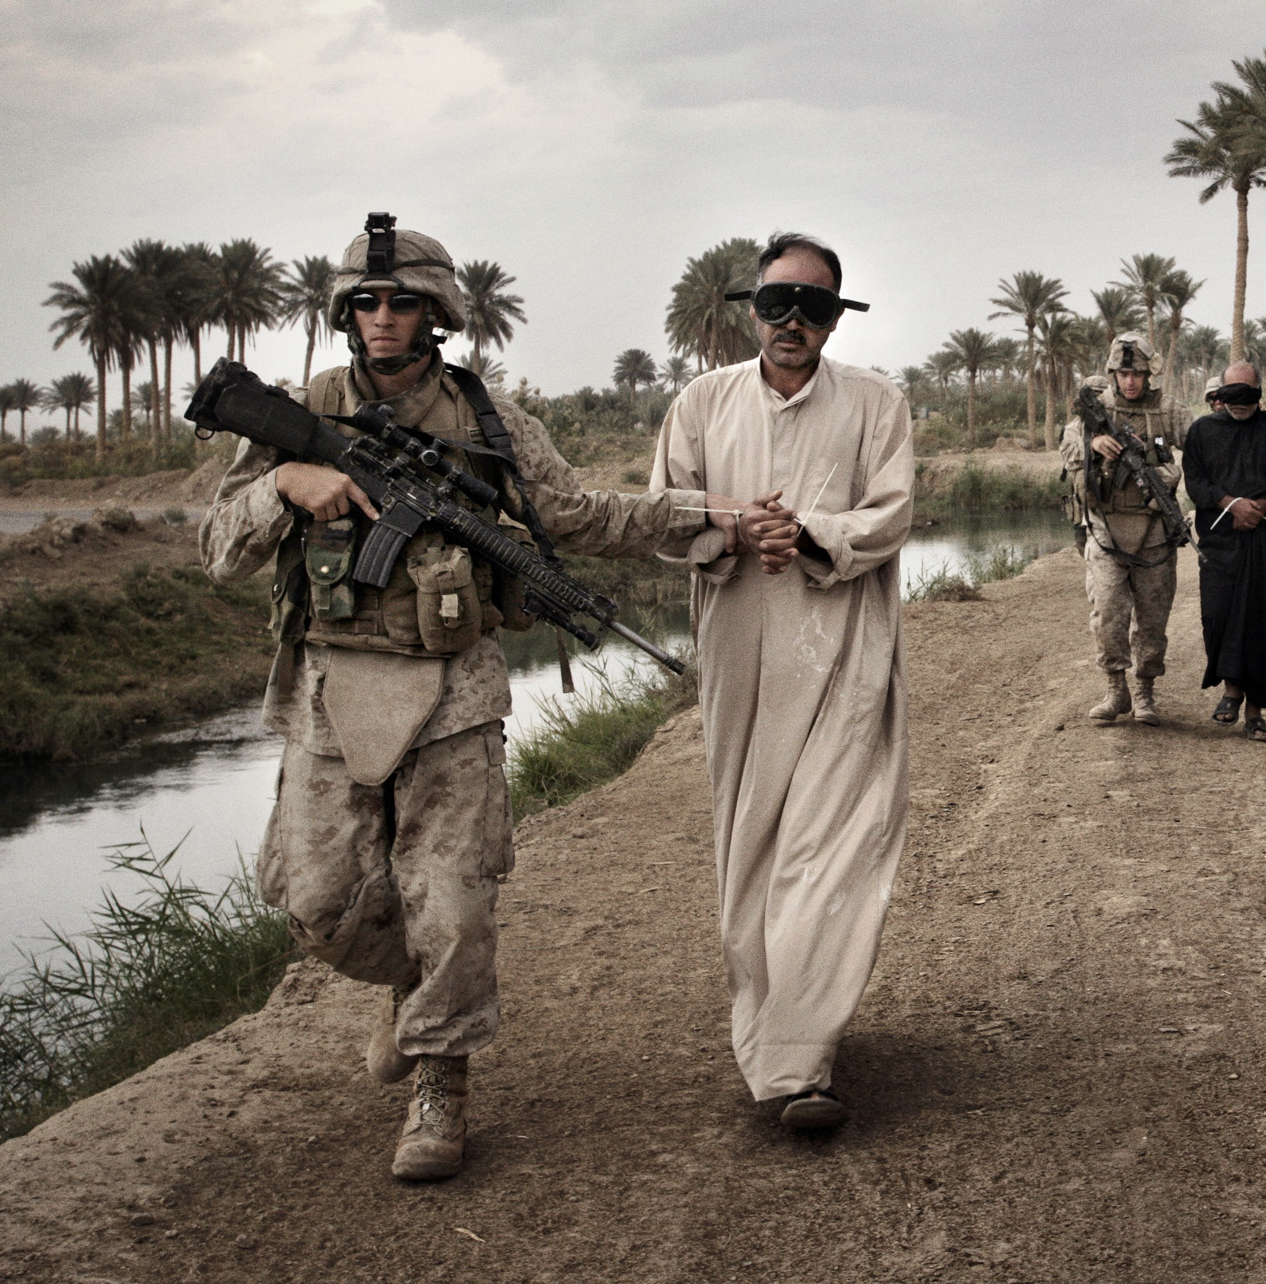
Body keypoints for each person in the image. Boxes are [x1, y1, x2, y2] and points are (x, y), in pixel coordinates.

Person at [200, 216, 710, 1181]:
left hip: (454, 690)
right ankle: (412, 986)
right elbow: (219, 549)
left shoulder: (488, 421)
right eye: (365, 301)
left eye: (402, 301)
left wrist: (702, 515)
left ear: (436, 311)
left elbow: (576, 515)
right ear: (345, 312)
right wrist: (288, 484)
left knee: (453, 896)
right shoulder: (299, 412)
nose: (382, 316)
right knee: (316, 903)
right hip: (329, 687)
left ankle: (442, 1078)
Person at [649, 232, 914, 1134]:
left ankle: (803, 1064)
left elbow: (890, 515)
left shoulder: (876, 403)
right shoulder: (701, 403)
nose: (793, 321)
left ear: (836, 318)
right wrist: (732, 528)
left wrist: (805, 534)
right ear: (751, 310)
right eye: (776, 303)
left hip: (844, 651)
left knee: (829, 841)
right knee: (753, 842)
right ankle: (769, 1026)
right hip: (740, 653)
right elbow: (664, 516)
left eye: (814, 305)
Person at [1181, 361, 1266, 743]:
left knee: (1263, 623)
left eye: (1246, 396)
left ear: (1259, 393)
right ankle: (1231, 689)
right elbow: (1195, 481)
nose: (1238, 404)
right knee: (1218, 614)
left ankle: (1255, 712)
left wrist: (1260, 507)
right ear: (1219, 394)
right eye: (1230, 396)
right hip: (1220, 542)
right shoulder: (1203, 431)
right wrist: (1230, 504)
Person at [1073, 334, 1185, 726]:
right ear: (1113, 374)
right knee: (1108, 612)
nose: (1131, 381)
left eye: (1137, 373)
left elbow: (1203, 439)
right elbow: (1067, 446)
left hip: (1154, 531)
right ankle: (1116, 690)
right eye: (1123, 374)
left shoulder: (1166, 409)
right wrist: (1093, 443)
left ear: (1148, 374)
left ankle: (1144, 692)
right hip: (1106, 528)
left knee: (1153, 618)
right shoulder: (1097, 408)